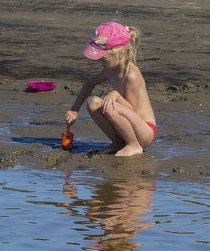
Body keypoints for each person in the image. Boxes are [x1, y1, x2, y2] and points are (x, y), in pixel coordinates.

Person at [66, 22, 156, 157]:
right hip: (129, 124)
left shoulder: (131, 75)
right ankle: (117, 143)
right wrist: (75, 109)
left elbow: (133, 112)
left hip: (145, 129)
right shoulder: (110, 70)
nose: (100, 62)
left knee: (111, 106)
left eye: (103, 59)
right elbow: (89, 83)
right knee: (93, 103)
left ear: (119, 54)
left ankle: (134, 145)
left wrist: (116, 95)